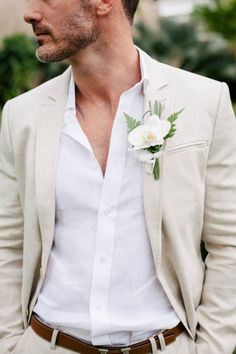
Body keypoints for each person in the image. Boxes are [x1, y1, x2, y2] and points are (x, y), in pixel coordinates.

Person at [0, 0, 235, 353]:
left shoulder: (205, 102)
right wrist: (10, 343)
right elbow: (8, 242)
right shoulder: (21, 116)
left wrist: (210, 348)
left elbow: (228, 242)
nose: (30, 12)